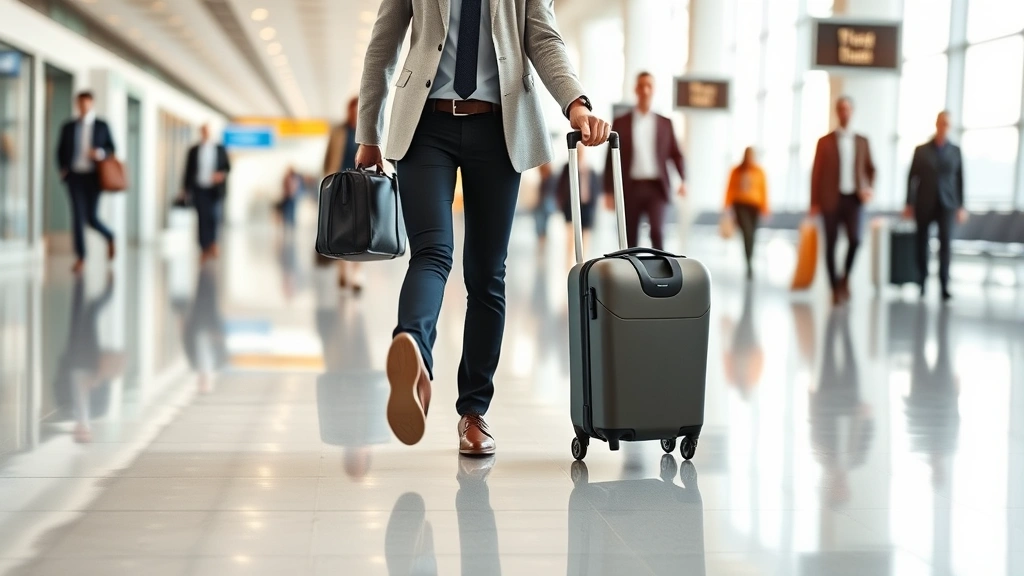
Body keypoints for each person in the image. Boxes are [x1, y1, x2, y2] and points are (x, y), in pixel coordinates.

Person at [355, 0, 609, 456]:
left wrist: (575, 103)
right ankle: (412, 348)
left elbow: (541, 37)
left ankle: (472, 411)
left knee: (486, 273)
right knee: (434, 253)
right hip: (423, 125)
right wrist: (368, 133)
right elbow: (383, 45)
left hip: (499, 130)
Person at [604, 71, 686, 250]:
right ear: (636, 89)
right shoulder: (621, 122)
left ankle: (661, 274)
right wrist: (609, 191)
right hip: (630, 187)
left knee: (657, 232)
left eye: (649, 86)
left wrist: (683, 180)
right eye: (641, 86)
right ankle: (632, 273)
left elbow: (676, 154)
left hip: (656, 188)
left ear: (654, 90)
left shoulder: (665, 123)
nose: (645, 90)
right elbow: (610, 159)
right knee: (629, 236)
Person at [810, 96, 876, 306]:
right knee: (830, 244)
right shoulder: (825, 141)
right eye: (841, 109)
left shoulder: (862, 141)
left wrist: (868, 188)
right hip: (830, 199)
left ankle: (845, 277)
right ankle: (834, 288)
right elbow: (816, 173)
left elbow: (871, 169)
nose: (844, 113)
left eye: (848, 109)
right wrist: (813, 202)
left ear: (852, 111)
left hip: (853, 199)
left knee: (856, 240)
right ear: (837, 112)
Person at [903, 111, 966, 302]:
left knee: (945, 243)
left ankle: (944, 285)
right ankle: (921, 281)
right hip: (924, 202)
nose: (944, 126)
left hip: (947, 203)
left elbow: (960, 179)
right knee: (921, 242)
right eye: (942, 123)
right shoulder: (921, 150)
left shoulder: (955, 151)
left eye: (948, 124)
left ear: (950, 126)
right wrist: (908, 203)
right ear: (936, 124)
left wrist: (961, 206)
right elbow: (911, 178)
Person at [56, 91, 117, 274]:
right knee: (77, 217)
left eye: (87, 103)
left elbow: (112, 149)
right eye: (80, 104)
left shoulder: (102, 126)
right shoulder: (68, 126)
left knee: (91, 217)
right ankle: (81, 257)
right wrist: (63, 170)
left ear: (92, 104)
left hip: (94, 177)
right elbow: (59, 150)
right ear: (77, 104)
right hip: (74, 176)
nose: (83, 107)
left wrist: (99, 153)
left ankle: (109, 235)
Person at [324, 97, 365, 291]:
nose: (354, 114)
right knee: (340, 231)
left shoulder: (368, 132)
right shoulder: (338, 131)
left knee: (361, 232)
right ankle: (342, 271)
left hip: (362, 186)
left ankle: (356, 274)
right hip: (340, 186)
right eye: (352, 110)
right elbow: (328, 159)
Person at [182, 124, 231, 263]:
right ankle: (204, 248)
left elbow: (227, 167)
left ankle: (213, 243)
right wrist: (185, 189)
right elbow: (188, 170)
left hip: (214, 189)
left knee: (214, 216)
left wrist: (220, 174)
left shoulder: (219, 148)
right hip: (199, 188)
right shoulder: (194, 150)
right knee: (202, 218)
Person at [723, 147, 769, 279]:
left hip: (755, 207)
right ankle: (749, 263)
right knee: (747, 233)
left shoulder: (759, 172)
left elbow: (764, 190)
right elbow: (729, 188)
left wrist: (765, 208)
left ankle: (750, 259)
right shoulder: (736, 171)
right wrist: (726, 206)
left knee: (752, 235)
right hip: (740, 205)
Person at [558, 144, 600, 263]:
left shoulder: (590, 169)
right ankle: (569, 263)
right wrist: (562, 203)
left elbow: (595, 189)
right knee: (571, 237)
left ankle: (583, 264)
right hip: (570, 207)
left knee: (586, 237)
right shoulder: (567, 167)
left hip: (587, 207)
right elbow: (561, 187)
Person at [279, 166, 301, 230]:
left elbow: (296, 187)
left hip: (292, 198)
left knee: (292, 213)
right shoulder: (286, 178)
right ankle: (286, 225)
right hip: (287, 197)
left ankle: (292, 226)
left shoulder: (295, 178)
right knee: (287, 212)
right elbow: (285, 187)